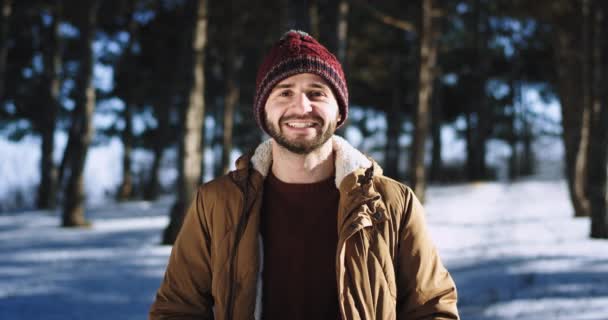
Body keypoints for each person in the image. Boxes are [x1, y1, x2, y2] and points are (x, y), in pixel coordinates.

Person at [149, 30, 459, 320]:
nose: (301, 106)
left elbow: (433, 308)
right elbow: (177, 310)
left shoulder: (392, 203)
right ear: (263, 111)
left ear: (339, 112)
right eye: (284, 92)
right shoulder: (216, 202)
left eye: (316, 93)